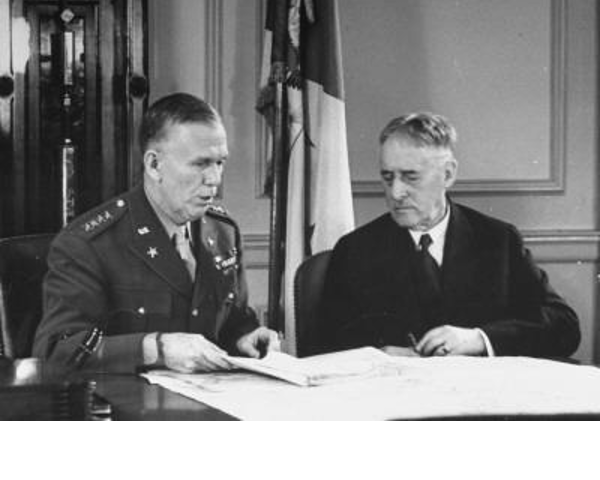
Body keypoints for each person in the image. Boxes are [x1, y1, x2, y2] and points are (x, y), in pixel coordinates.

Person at [33, 93, 279, 373]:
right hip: (129, 400)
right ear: (154, 165)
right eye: (200, 164)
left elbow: (234, 322)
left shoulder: (223, 232)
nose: (214, 179)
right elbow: (56, 351)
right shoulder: (89, 244)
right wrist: (155, 348)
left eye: (219, 162)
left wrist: (246, 337)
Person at [321, 112, 581, 358]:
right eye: (388, 177)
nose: (396, 192)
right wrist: (376, 355)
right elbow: (323, 344)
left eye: (411, 177)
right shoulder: (355, 249)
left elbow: (564, 326)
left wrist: (480, 339)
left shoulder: (498, 240)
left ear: (448, 174)